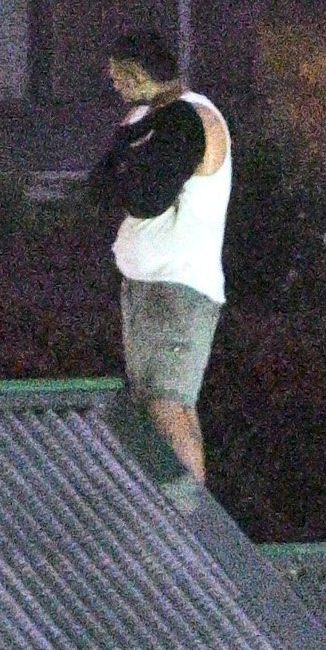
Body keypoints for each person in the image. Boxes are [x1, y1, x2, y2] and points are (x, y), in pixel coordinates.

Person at [88, 25, 231, 486]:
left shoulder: (192, 118)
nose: (113, 84)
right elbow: (100, 185)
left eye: (118, 75)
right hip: (146, 286)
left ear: (136, 72)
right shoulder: (143, 119)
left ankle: (188, 527)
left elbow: (144, 195)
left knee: (169, 405)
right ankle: (168, 517)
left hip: (178, 288)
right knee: (151, 407)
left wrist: (129, 172)